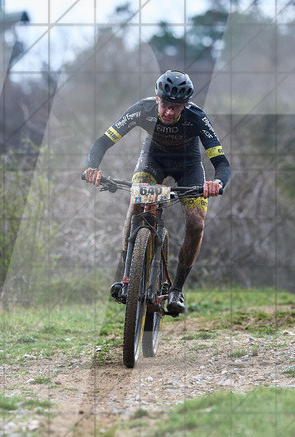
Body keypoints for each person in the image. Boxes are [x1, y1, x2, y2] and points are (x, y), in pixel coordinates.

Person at [83, 70, 231, 315]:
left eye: (176, 107)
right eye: (165, 105)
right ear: (156, 99)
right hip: (153, 161)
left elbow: (222, 162)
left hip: (189, 167)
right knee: (138, 200)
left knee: (196, 222)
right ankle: (128, 278)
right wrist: (92, 167)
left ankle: (177, 289)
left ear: (185, 105)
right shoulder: (143, 109)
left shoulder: (196, 117)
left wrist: (216, 182)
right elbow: (103, 142)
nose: (169, 112)